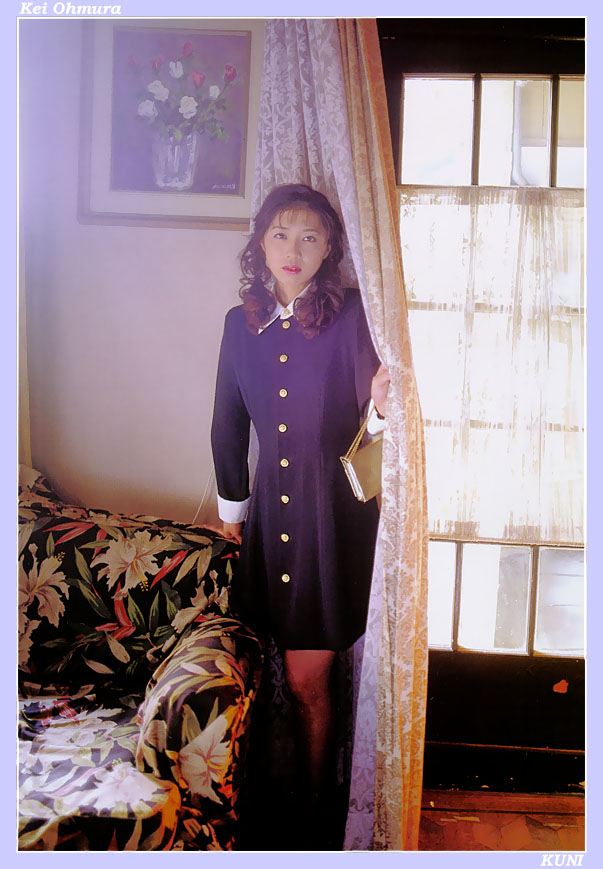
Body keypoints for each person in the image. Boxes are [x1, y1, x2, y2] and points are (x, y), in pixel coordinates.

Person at [211, 183, 389, 835]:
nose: (294, 249)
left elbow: (372, 419)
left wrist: (381, 405)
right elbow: (227, 423)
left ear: (328, 249)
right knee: (279, 672)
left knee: (307, 675)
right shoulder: (240, 324)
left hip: (329, 521)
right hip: (270, 523)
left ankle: (316, 814)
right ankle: (285, 796)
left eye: (310, 237)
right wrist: (231, 512)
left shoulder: (353, 315)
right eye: (281, 234)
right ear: (261, 244)